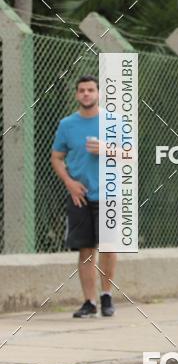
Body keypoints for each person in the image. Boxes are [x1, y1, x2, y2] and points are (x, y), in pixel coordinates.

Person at [51, 76, 117, 317]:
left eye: (90, 90)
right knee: (86, 249)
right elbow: (56, 157)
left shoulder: (113, 121)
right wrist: (69, 182)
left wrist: (106, 149)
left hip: (109, 193)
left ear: (98, 93)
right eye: (82, 90)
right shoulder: (67, 124)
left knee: (109, 248)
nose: (86, 94)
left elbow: (131, 154)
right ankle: (89, 302)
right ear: (77, 94)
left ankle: (107, 295)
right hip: (80, 195)